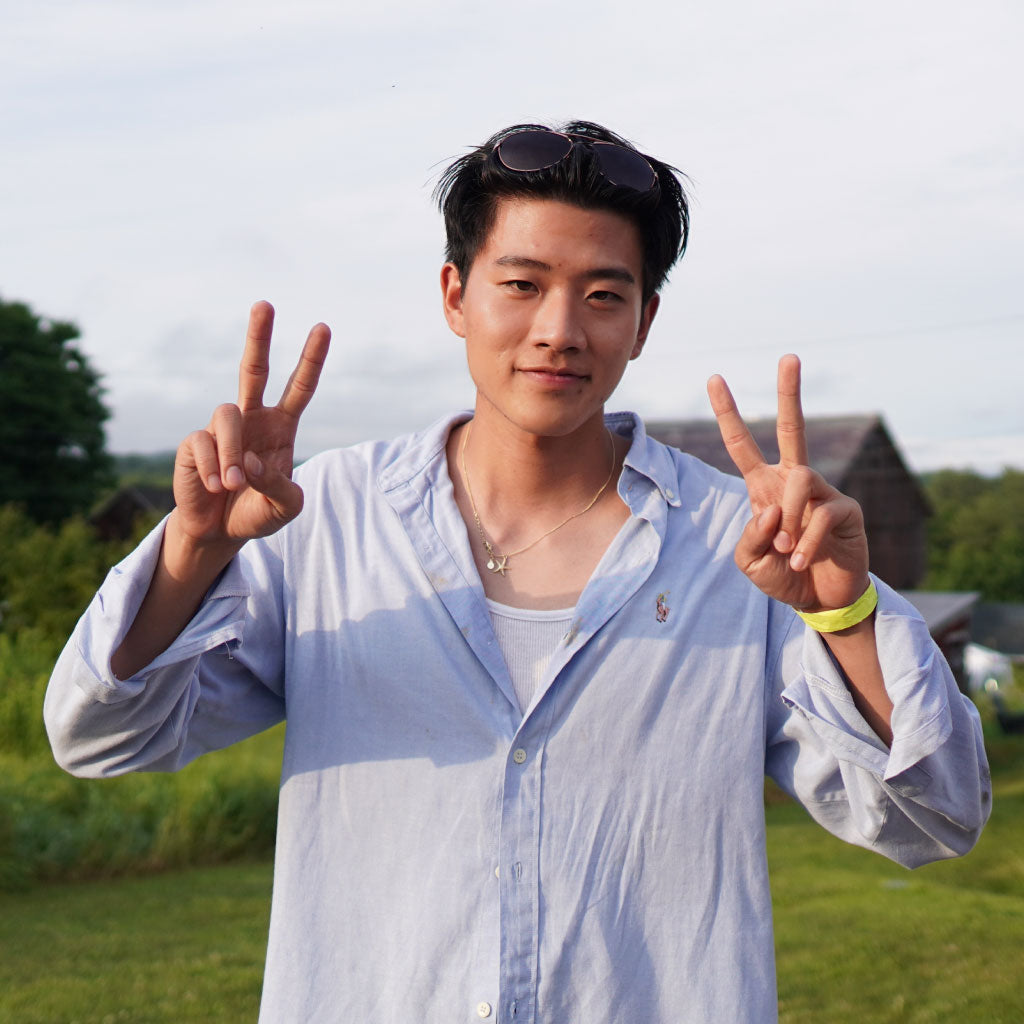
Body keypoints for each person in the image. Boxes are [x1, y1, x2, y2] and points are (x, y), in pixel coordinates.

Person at [45, 122, 990, 1024]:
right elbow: (100, 736)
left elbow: (937, 817)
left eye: (604, 296)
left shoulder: (744, 548)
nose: (559, 330)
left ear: (645, 321)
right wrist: (196, 549)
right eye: (523, 285)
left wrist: (846, 617)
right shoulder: (323, 518)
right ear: (455, 295)